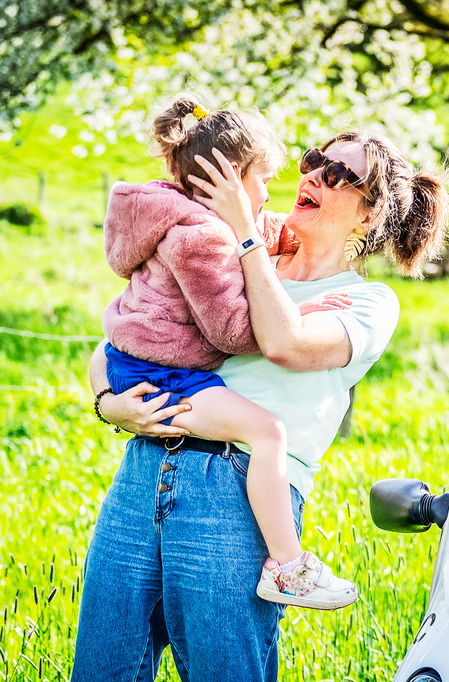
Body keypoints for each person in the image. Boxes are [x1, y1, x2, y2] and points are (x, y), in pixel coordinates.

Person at [72, 128, 449, 681]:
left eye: (340, 174)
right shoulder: (231, 257)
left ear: (368, 216)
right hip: (144, 474)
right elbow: (126, 337)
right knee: (101, 670)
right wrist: (110, 405)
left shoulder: (369, 302)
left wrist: (246, 235)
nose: (315, 176)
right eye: (315, 160)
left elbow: (285, 342)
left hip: (238, 494)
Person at [98, 93, 355, 611]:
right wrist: (302, 311)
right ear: (235, 177)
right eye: (264, 180)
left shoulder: (178, 213)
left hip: (144, 365)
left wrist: (262, 233)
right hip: (166, 375)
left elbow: (255, 231)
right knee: (268, 432)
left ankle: (287, 565)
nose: (272, 193)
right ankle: (288, 566)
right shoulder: (203, 238)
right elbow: (232, 333)